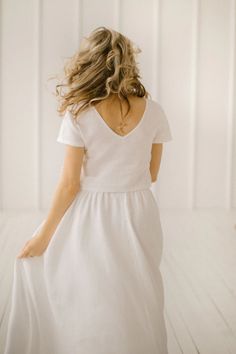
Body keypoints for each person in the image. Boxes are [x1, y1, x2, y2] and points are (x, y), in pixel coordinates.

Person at [4, 26, 172, 354]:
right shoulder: (154, 111)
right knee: (138, 291)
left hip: (93, 213)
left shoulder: (79, 113)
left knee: (92, 293)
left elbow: (69, 185)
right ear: (127, 63)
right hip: (139, 210)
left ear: (90, 63)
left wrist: (43, 237)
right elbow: (151, 173)